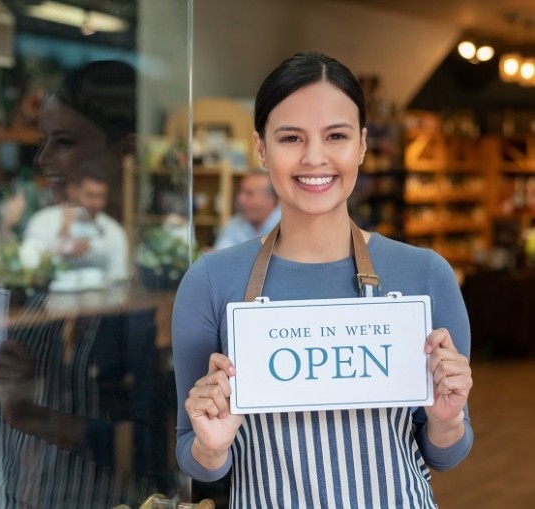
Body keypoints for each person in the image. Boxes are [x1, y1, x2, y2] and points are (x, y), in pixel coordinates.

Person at [172, 51, 473, 508]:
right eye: (291, 137)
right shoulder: (211, 281)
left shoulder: (426, 274)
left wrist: (448, 421)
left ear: (363, 145)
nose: (315, 158)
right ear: (260, 148)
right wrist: (211, 445)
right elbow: (194, 457)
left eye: (336, 136)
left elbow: (445, 455)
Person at [0, 60, 166, 508]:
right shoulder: (51, 261)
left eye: (64, 142)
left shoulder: (153, 286)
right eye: (44, 140)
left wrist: (36, 417)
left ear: (126, 150)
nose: (43, 159)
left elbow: (160, 449)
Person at [21, 173, 129, 286]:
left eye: (101, 196)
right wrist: (60, 250)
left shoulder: (114, 230)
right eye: (90, 195)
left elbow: (119, 278)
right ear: (73, 191)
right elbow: (29, 270)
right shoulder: (43, 221)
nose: (96, 203)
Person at [213, 169, 281, 250]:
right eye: (240, 192)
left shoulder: (288, 227)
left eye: (249, 194)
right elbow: (221, 258)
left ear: (271, 199)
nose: (240, 199)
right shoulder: (234, 224)